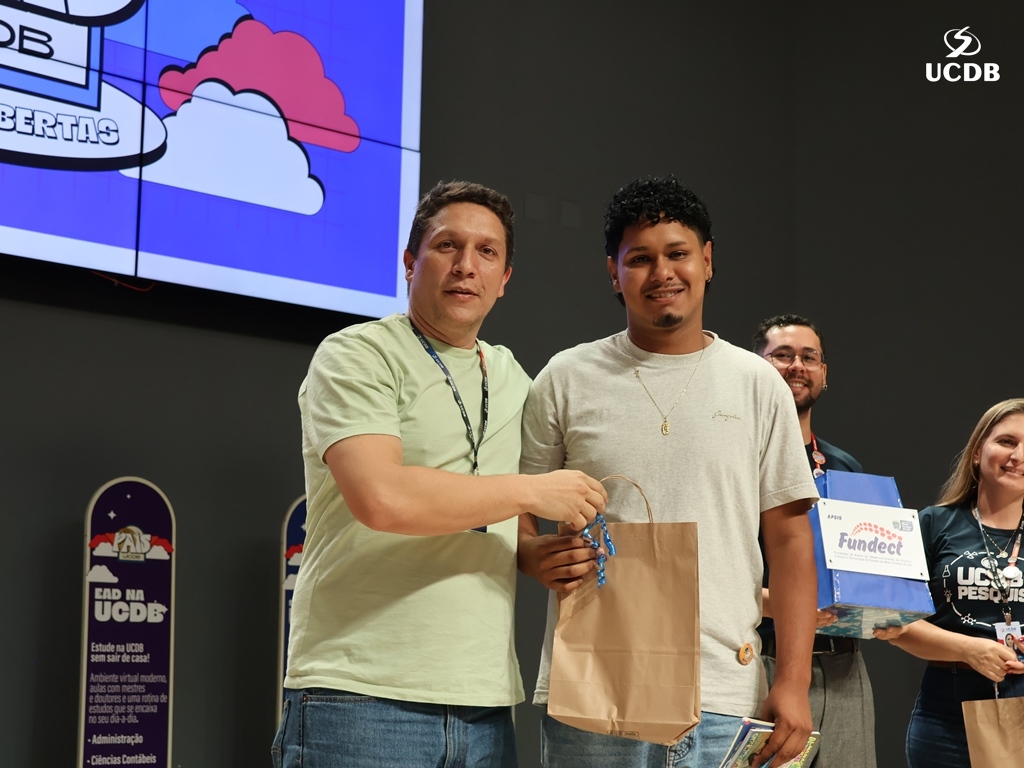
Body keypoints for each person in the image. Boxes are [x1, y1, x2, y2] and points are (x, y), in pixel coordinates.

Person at [273, 180, 608, 768]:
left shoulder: (514, 378)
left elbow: (503, 510)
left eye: (486, 252)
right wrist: (532, 491)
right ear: (410, 261)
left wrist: (532, 552)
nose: (466, 266)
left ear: (504, 279)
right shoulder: (357, 354)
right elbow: (381, 498)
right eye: (448, 245)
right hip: (359, 696)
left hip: (485, 706)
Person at [518, 176, 820, 768]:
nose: (662, 273)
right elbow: (517, 505)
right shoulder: (566, 377)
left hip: (726, 697)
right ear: (614, 272)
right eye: (639, 259)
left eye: (677, 253)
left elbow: (790, 542)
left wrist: (793, 681)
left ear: (706, 261)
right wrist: (529, 552)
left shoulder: (758, 384)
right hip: (594, 689)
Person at [752, 315, 875, 768]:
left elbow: (869, 572)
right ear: (755, 367)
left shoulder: (845, 467)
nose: (797, 366)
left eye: (809, 357)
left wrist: (881, 605)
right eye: (782, 355)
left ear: (824, 372)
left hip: (843, 665)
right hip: (763, 658)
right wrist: (788, 606)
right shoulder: (734, 459)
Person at [875, 398, 1024, 767]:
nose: (1018, 456)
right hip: (945, 708)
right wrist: (968, 649)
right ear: (977, 452)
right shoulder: (932, 524)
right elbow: (893, 622)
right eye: (1007, 441)